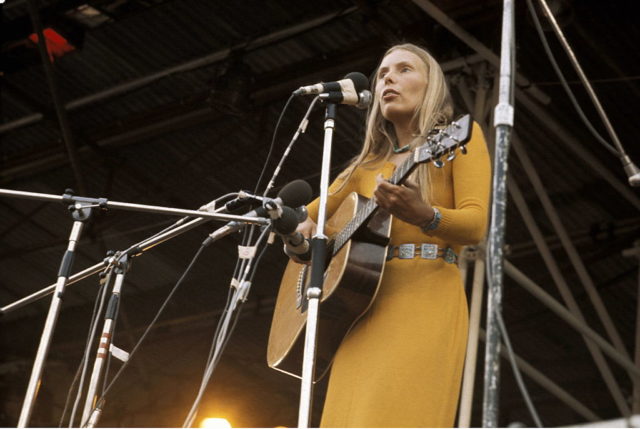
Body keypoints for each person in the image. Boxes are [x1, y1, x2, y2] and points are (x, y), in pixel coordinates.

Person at [295, 43, 491, 427]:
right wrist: (295, 232)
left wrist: (425, 215)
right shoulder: (364, 166)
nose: (388, 79)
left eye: (404, 70)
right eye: (383, 73)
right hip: (358, 310)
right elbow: (306, 218)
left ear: (430, 84)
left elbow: (476, 224)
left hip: (425, 298)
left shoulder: (457, 140)